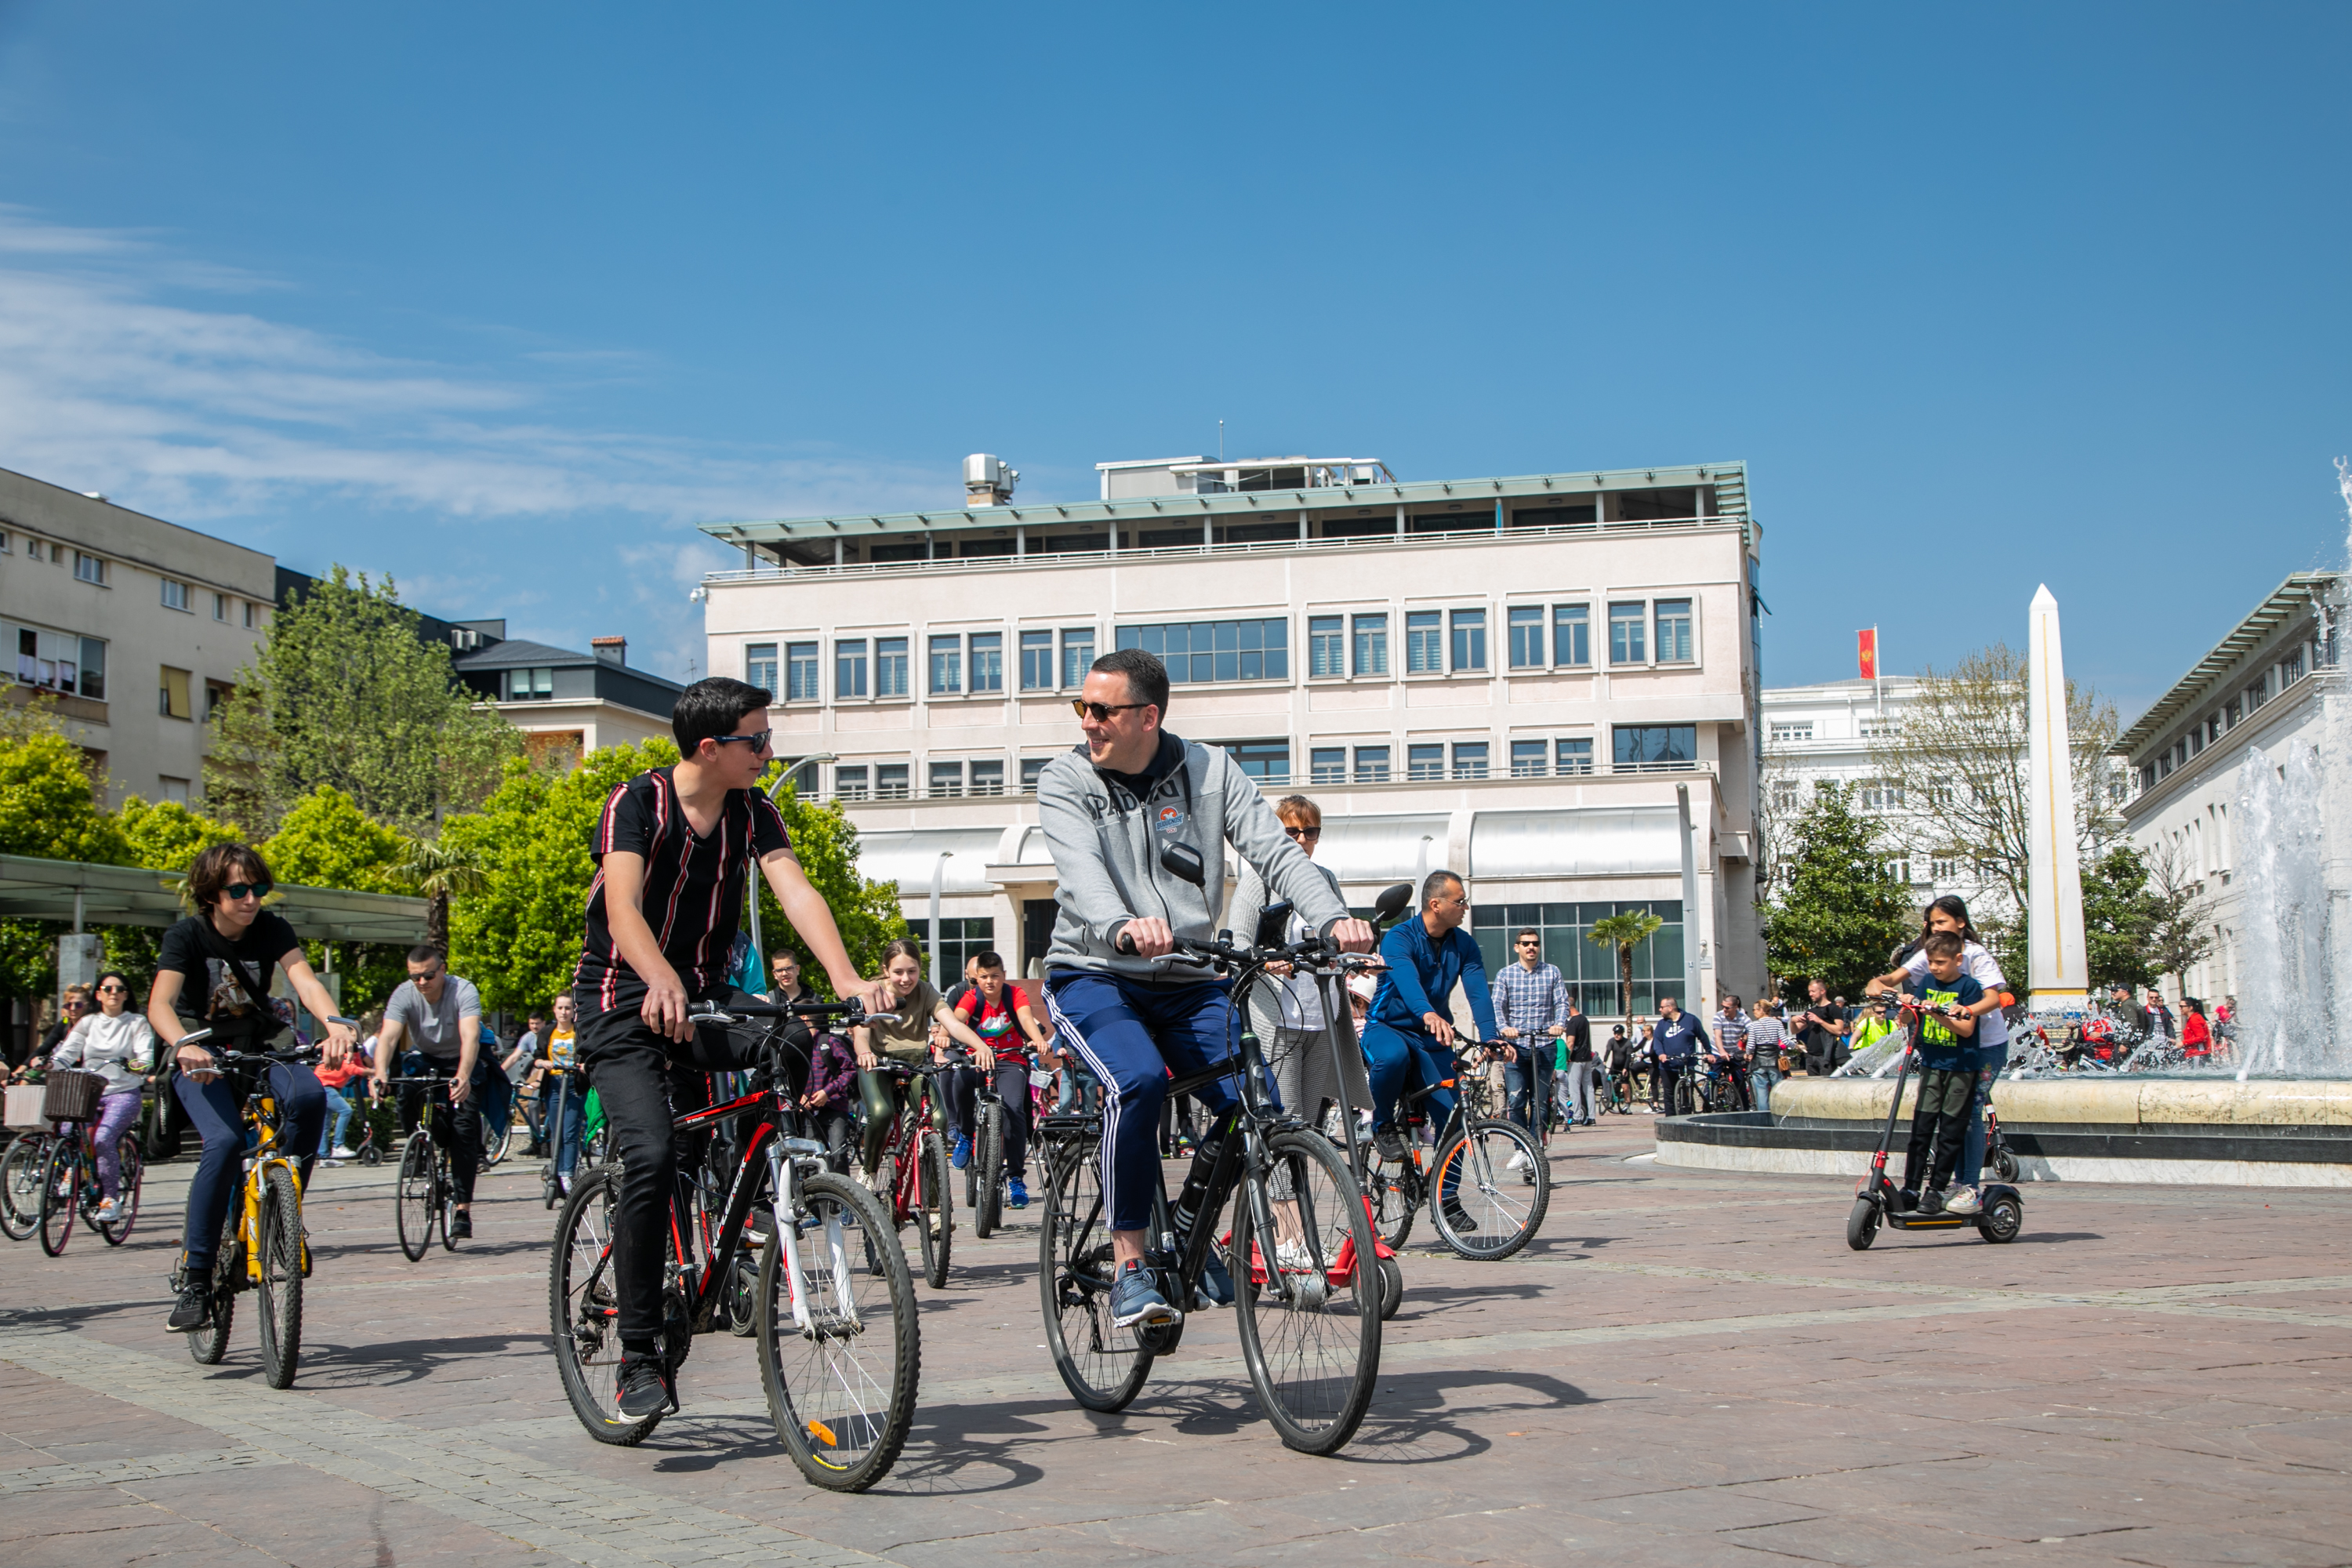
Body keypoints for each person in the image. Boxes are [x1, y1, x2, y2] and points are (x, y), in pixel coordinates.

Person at [572, 676, 888, 1423]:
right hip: (622, 995)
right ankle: (639, 1355)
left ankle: (752, 1191)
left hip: (707, 994)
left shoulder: (753, 809)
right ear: (710, 748)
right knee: (650, 1155)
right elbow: (621, 905)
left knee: (790, 1042)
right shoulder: (637, 803)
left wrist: (846, 979)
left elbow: (796, 890)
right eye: (758, 741)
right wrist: (659, 978)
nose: (768, 751)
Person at [1040, 646, 1371, 1329]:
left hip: (1189, 975)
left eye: (1100, 710)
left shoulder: (1211, 770)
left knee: (1256, 1103)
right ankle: (1130, 1265)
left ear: (1147, 715)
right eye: (1082, 708)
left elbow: (1276, 853)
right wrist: (1122, 924)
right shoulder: (1066, 780)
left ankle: (1192, 1226)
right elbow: (1080, 874)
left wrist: (1333, 917)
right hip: (1096, 972)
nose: (1087, 723)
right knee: (1138, 1082)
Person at [149, 844, 354, 1333]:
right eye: (237, 889)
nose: (250, 900)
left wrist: (336, 1024)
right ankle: (197, 1278)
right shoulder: (186, 936)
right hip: (201, 1052)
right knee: (221, 1144)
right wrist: (182, 1045)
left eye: (257, 889)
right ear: (210, 893)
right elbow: (160, 1003)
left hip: (260, 1042)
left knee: (308, 1098)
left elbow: (304, 981)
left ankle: (284, 1214)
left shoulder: (273, 929)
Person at [1230, 794, 1374, 1136]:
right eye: (1291, 831)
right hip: (1279, 1018)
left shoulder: (1325, 879)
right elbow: (1237, 947)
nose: (1301, 839)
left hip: (1323, 1015)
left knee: (1310, 1123)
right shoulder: (1259, 880)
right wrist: (1267, 964)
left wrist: (1351, 961)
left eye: (1310, 832)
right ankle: (1280, 1192)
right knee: (1284, 1115)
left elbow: (1336, 938)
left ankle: (1299, 1190)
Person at [1363, 870, 1498, 1215]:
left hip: (1432, 1036)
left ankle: (1446, 1198)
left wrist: (1491, 1035)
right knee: (1391, 1058)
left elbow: (1478, 990)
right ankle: (1382, 1125)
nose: (1466, 907)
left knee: (1453, 1116)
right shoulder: (1398, 938)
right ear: (1435, 904)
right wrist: (1427, 1013)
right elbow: (1406, 980)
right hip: (1388, 1026)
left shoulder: (1463, 943)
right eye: (1460, 901)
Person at [1867, 895, 2011, 1195]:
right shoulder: (1930, 953)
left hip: (1984, 1045)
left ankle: (1967, 1186)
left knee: (1969, 1112)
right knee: (1944, 1114)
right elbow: (1892, 978)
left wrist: (1967, 1010)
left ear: (1961, 923)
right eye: (1932, 923)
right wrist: (1881, 986)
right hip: (1946, 1045)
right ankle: (1939, 1185)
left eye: (1942, 922)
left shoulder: (1974, 955)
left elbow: (1993, 998)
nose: (1935, 929)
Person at [848, 939, 991, 1189]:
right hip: (878, 1064)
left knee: (938, 1118)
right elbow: (861, 1035)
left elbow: (953, 1024)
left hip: (914, 1065)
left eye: (912, 971)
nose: (906, 979)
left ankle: (936, 1206)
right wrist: (864, 1053)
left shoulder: (925, 991)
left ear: (919, 970)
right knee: (880, 1113)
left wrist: (981, 1046)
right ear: (886, 971)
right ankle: (869, 1172)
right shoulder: (873, 993)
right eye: (898, 972)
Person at [368, 946, 488, 1240]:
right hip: (426, 1057)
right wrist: (380, 1072)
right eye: (415, 977)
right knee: (406, 1090)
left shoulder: (463, 990)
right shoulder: (403, 994)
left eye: (429, 975)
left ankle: (462, 1209)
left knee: (463, 1130)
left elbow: (470, 1035)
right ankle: (420, 1146)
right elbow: (389, 1036)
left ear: (443, 970)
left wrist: (463, 1074)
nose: (422, 983)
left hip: (462, 1058)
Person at [942, 951, 1051, 1207]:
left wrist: (1037, 1039)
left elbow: (1025, 1018)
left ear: (1003, 976)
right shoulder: (972, 998)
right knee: (960, 1078)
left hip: (1010, 1059)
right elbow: (956, 1019)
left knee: (1014, 1111)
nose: (989, 981)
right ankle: (966, 1135)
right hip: (978, 1056)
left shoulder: (1015, 995)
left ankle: (1015, 1178)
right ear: (976, 978)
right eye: (983, 977)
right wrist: (945, 1033)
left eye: (995, 976)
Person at [49, 971, 154, 1222]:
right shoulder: (87, 1022)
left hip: (123, 1093)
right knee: (66, 1128)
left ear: (126, 995)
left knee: (104, 1139)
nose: (114, 993)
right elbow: (68, 1051)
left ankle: (110, 1199)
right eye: (108, 989)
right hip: (88, 1091)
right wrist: (52, 1063)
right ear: (99, 994)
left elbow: (145, 1051)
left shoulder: (136, 1022)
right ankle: (71, 1174)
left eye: (119, 989)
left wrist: (139, 1064)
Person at [1896, 933, 1985, 1214]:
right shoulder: (1927, 982)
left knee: (1949, 1132)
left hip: (1961, 1068)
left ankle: (1935, 1190)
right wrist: (1909, 1006)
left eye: (1941, 962)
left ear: (1958, 960)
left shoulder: (1969, 987)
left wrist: (1935, 1013)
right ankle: (1911, 1187)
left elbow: (1966, 1029)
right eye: (1931, 962)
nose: (1934, 968)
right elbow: (1908, 1019)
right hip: (1932, 1065)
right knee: (1921, 1129)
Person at [1490, 926, 1567, 1160]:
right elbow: (1497, 1006)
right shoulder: (1505, 974)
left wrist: (1559, 1024)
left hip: (1544, 1044)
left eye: (1535, 943)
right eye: (1526, 943)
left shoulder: (1552, 972)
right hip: (1516, 1047)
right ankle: (1520, 1149)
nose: (1531, 947)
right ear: (1517, 947)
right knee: (1516, 1099)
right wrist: (1504, 1028)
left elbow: (1562, 1002)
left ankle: (1535, 1149)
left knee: (1540, 1102)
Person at [1649, 996, 1708, 1112]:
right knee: (1669, 1094)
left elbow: (1703, 1037)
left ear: (1670, 1008)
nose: (1659, 1010)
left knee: (1686, 1095)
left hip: (1686, 1064)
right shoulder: (1662, 1024)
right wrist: (1661, 1054)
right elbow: (1657, 1041)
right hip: (1667, 1065)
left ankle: (1686, 1120)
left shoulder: (1691, 1020)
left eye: (1661, 1007)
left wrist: (1709, 1053)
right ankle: (1670, 1122)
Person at [503, 1010, 546, 1152]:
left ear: (543, 1023)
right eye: (532, 1024)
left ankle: (543, 1141)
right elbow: (515, 1056)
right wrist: (499, 1072)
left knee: (535, 1104)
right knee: (531, 1104)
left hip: (549, 1073)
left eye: (537, 1023)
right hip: (537, 1074)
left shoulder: (548, 1034)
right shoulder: (528, 1037)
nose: (534, 1027)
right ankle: (535, 1142)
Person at [1555, 996, 1595, 1128]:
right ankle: (1592, 1118)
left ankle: (1577, 1116)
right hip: (1587, 1058)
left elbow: (1571, 1043)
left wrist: (1567, 1058)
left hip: (1576, 1059)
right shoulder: (1584, 1020)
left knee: (1574, 1089)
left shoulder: (1572, 1022)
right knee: (1589, 1088)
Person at [1795, 980, 1848, 1076]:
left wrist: (1820, 1021)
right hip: (1811, 1056)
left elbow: (1839, 1031)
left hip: (1826, 1056)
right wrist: (1793, 1021)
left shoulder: (1833, 1009)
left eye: (1813, 991)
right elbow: (1796, 1030)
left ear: (1823, 991)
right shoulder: (1811, 1011)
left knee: (1827, 1087)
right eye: (1809, 992)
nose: (1810, 994)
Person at [1744, 1000, 1786, 1110]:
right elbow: (1785, 1040)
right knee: (1778, 1091)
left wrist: (1748, 1054)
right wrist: (1797, 1046)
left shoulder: (1754, 1025)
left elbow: (1751, 1045)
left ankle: (1765, 1118)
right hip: (1774, 1061)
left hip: (1759, 1062)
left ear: (1761, 1010)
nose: (1753, 1012)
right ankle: (1779, 1113)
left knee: (1762, 1092)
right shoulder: (1777, 1023)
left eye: (1755, 1010)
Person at [2181, 997, 2212, 1061]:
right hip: (2195, 1054)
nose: (2180, 1008)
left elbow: (2201, 1038)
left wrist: (2183, 1043)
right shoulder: (2192, 1019)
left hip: (2198, 1054)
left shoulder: (2195, 1019)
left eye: (2182, 1006)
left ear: (2190, 1008)